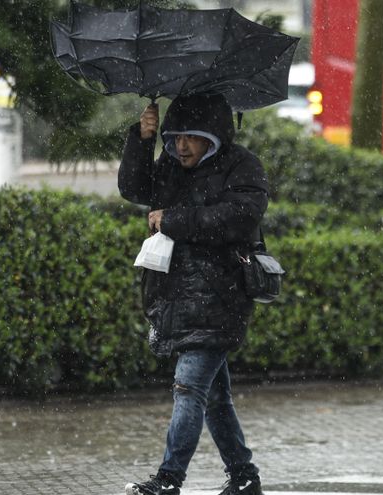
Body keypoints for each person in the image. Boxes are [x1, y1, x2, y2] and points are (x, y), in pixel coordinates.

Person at [118, 92, 269, 495]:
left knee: (188, 387)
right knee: (215, 397)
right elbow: (134, 187)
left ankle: (169, 480)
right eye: (175, 135)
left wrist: (175, 220)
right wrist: (142, 138)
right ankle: (244, 477)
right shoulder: (170, 164)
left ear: (213, 136)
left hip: (221, 298)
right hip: (175, 294)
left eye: (191, 136)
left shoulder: (242, 167)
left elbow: (238, 217)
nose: (181, 145)